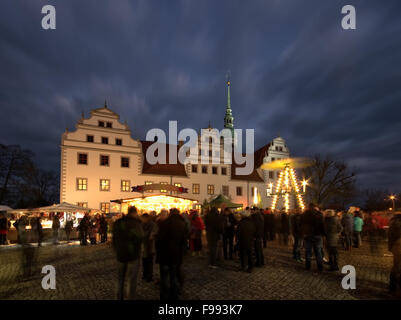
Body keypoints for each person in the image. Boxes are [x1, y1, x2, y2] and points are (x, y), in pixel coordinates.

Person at [112, 206, 144, 300]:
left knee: (120, 279)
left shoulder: (118, 222)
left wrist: (117, 249)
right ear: (134, 213)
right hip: (133, 255)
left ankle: (119, 297)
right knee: (131, 279)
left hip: (121, 254)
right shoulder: (135, 223)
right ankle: (130, 297)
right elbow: (140, 237)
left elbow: (114, 238)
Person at [155, 208, 187, 300]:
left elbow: (159, 240)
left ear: (170, 214)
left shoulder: (165, 223)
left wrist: (158, 250)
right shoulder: (182, 223)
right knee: (173, 276)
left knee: (164, 277)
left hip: (164, 255)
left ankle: (164, 297)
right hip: (176, 255)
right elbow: (184, 241)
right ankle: (174, 295)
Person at [300, 203, 325, 272]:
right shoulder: (319, 214)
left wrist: (303, 232)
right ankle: (320, 267)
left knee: (308, 251)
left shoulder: (304, 214)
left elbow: (301, 224)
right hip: (317, 235)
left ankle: (308, 266)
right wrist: (322, 233)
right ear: (315, 207)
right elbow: (322, 225)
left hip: (307, 234)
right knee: (318, 252)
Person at [141, 213, 158, 282]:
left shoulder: (152, 224)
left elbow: (155, 232)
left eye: (143, 218)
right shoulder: (142, 224)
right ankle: (145, 274)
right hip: (144, 246)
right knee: (144, 262)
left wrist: (152, 234)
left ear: (146, 218)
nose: (142, 220)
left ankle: (149, 276)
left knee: (149, 262)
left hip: (150, 246)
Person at [388, 211, 401, 294]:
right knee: (397, 267)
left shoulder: (394, 223)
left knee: (396, 266)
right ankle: (394, 287)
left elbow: (390, 236)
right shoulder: (397, 224)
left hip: (396, 246)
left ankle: (392, 287)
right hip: (398, 245)